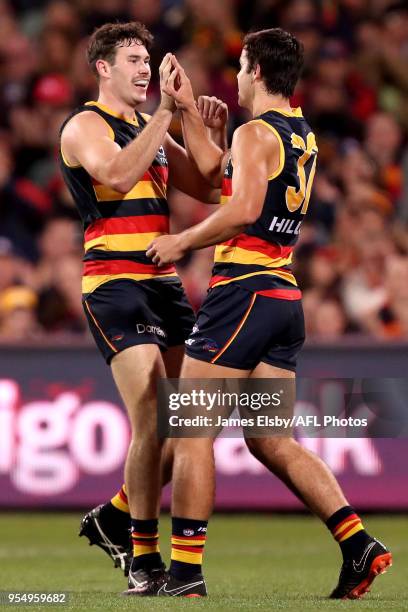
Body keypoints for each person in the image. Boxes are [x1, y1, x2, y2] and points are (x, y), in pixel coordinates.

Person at [144, 28, 392, 599]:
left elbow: (241, 208)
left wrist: (183, 244)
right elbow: (218, 182)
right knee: (270, 439)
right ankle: (358, 545)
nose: (234, 75)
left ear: (255, 70)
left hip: (243, 292)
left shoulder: (257, 132)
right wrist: (185, 112)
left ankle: (184, 575)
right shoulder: (297, 133)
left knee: (190, 431)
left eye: (239, 64)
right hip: (281, 298)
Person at [59, 21, 227, 589]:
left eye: (147, 58)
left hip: (165, 283)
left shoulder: (143, 124)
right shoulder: (86, 124)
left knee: (190, 422)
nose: (143, 68)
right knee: (153, 418)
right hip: (115, 283)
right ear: (103, 68)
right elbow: (115, 172)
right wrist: (162, 116)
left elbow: (206, 188)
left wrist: (197, 126)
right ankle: (143, 561)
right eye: (132, 59)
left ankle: (115, 517)